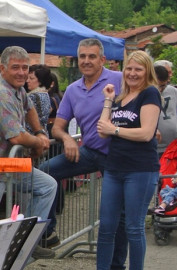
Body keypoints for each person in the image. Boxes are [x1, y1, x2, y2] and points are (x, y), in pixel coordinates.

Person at [0, 46, 57, 260]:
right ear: (2, 68)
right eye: (16, 67)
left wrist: (40, 131)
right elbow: (16, 137)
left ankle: (25, 241)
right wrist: (38, 142)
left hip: (7, 163)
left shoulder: (17, 88)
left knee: (47, 186)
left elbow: (30, 108)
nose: (22, 73)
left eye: (25, 68)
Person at [39, 38, 123, 252]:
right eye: (82, 56)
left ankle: (113, 266)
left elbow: (145, 98)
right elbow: (57, 127)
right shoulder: (73, 90)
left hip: (116, 155)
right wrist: (67, 139)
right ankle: (48, 233)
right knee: (45, 172)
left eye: (92, 56)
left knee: (112, 212)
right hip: (90, 151)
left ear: (102, 59)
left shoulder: (119, 79)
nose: (86, 61)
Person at [90, 50, 161, 270]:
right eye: (129, 69)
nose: (132, 74)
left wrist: (115, 130)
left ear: (147, 72)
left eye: (138, 70)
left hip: (140, 169)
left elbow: (146, 133)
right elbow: (101, 132)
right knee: (106, 226)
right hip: (115, 167)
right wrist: (108, 101)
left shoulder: (150, 94)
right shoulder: (120, 96)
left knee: (133, 226)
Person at [154, 64, 177, 156]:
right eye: (158, 86)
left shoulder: (172, 90)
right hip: (154, 146)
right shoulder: (146, 92)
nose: (161, 89)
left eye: (163, 86)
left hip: (173, 144)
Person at [25, 64, 53, 134]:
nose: (27, 81)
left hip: (33, 136)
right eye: (27, 78)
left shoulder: (33, 96)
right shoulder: (45, 94)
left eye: (31, 78)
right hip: (43, 133)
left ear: (40, 81)